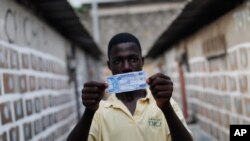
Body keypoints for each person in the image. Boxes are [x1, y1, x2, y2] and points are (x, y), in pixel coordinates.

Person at [67, 33, 193, 141]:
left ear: (142, 62)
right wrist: (89, 111)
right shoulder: (99, 111)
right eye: (118, 61)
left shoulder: (165, 103)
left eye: (133, 59)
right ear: (109, 65)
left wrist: (166, 108)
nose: (126, 67)